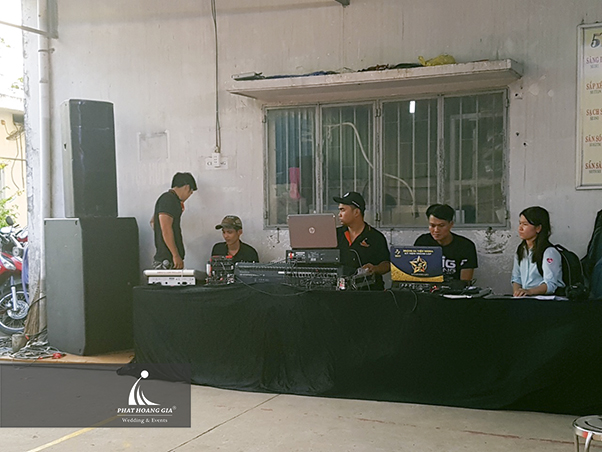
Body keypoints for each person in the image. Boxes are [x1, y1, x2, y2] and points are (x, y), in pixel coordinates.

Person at [334, 191, 390, 290]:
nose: (339, 215)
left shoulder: (376, 237)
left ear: (356, 212)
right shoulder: (335, 235)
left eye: (343, 210)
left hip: (370, 292)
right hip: (338, 292)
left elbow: (387, 264)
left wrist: (375, 268)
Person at [414, 204, 478, 282]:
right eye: (432, 225)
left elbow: (465, 281)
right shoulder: (422, 242)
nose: (436, 230)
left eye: (441, 225)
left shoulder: (466, 246)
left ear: (451, 224)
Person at [511, 206, 564, 297]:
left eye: (525, 224)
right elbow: (516, 278)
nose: (520, 228)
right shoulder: (521, 250)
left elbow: (550, 284)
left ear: (538, 228)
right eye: (520, 223)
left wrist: (529, 291)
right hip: (527, 300)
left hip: (545, 301)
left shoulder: (549, 252)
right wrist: (518, 293)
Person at [152, 172, 197, 269]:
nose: (189, 196)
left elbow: (153, 222)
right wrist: (175, 255)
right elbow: (166, 229)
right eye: (190, 192)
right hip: (168, 259)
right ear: (187, 187)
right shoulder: (169, 199)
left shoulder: (169, 200)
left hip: (167, 257)